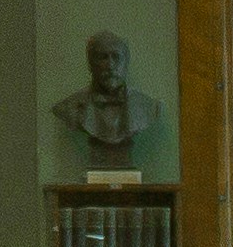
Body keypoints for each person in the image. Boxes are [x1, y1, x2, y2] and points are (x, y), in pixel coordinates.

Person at [52, 30, 157, 168]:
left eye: (116, 57)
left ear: (126, 63)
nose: (110, 65)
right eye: (103, 57)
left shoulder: (148, 106)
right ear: (90, 64)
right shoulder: (69, 107)